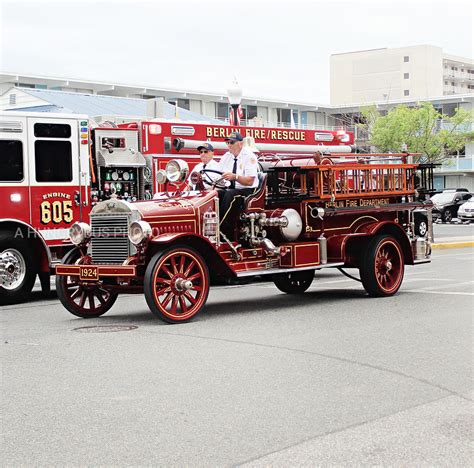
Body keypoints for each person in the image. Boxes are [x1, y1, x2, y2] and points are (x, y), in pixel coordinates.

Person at [217, 131, 259, 238]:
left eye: (232, 142)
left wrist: (235, 177)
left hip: (248, 191)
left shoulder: (250, 157)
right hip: (230, 188)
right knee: (215, 194)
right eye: (228, 143)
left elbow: (249, 181)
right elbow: (218, 173)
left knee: (230, 195)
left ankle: (224, 233)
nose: (229, 145)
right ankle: (210, 227)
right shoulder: (227, 156)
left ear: (240, 143)